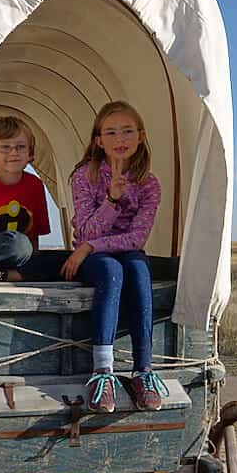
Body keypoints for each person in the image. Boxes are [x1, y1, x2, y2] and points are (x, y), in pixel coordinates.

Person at [61, 100, 167, 414]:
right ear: (98, 140)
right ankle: (102, 373)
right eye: (111, 132)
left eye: (127, 131)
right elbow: (87, 229)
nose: (119, 139)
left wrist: (90, 247)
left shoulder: (150, 184)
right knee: (112, 272)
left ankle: (143, 372)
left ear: (140, 136)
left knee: (138, 269)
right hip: (96, 262)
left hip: (103, 252)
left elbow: (138, 237)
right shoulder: (84, 177)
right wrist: (112, 199)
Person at [0, 115, 50, 283]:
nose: (14, 152)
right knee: (19, 244)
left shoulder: (35, 185)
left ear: (30, 153)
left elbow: (34, 237)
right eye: (5, 147)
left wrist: (32, 265)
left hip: (19, 257)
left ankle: (2, 275)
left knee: (65, 261)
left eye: (20, 147)